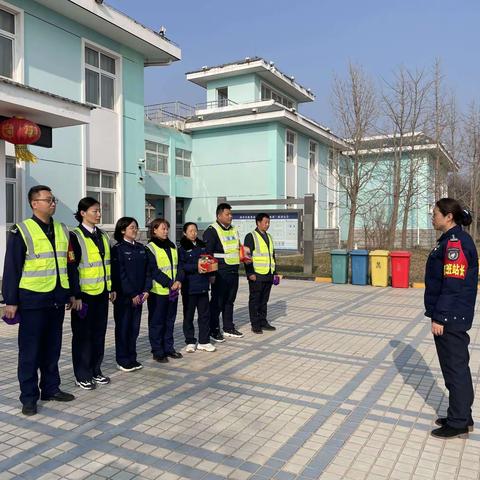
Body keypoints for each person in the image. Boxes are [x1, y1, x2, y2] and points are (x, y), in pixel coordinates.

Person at [1, 185, 75, 416]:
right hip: (33, 300)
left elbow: (69, 264)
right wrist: (10, 301)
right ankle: (29, 397)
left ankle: (51, 388)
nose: (53, 203)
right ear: (35, 203)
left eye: (53, 199)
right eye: (48, 200)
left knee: (52, 348)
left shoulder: (63, 230)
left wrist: (72, 292)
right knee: (30, 351)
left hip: (56, 298)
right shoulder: (21, 231)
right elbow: (12, 268)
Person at [425, 198, 478, 439]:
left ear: (448, 217)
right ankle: (461, 414)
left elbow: (452, 284)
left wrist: (441, 317)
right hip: (454, 314)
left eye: (435, 213)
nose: (432, 216)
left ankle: (458, 422)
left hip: (451, 316)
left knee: (454, 367)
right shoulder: (450, 240)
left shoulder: (455, 243)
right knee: (456, 366)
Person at [68, 197, 116, 390]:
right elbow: (72, 268)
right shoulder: (75, 236)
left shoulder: (103, 236)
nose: (98, 214)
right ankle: (82, 374)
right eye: (94, 211)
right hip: (84, 296)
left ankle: (96, 370)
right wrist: (75, 295)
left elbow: (107, 265)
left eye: (99, 211)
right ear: (82, 213)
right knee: (82, 336)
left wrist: (111, 288)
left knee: (99, 334)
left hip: (102, 293)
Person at [111, 217, 151, 372]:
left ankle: (132, 357)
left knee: (134, 328)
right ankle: (122, 359)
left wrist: (146, 290)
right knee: (123, 328)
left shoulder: (141, 248)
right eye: (131, 227)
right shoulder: (118, 249)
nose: (135, 230)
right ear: (122, 230)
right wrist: (132, 293)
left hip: (140, 296)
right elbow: (120, 275)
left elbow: (148, 271)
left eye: (136, 227)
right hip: (124, 297)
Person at [203, 203, 246, 342]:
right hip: (220, 272)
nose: (230, 217)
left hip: (233, 270)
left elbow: (238, 247)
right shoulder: (211, 231)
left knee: (230, 300)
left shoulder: (234, 229)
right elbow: (207, 255)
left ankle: (228, 327)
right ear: (219, 215)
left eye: (231, 214)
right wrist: (211, 275)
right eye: (227, 214)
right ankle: (213, 329)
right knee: (217, 302)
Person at [146, 218, 183, 362]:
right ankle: (157, 351)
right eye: (163, 228)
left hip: (172, 291)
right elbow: (153, 270)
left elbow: (179, 265)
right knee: (157, 322)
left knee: (170, 321)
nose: (166, 231)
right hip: (158, 292)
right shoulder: (150, 248)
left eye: (167, 228)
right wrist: (169, 283)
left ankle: (169, 348)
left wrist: (179, 280)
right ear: (154, 230)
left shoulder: (172, 246)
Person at [178, 222, 216, 353]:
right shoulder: (182, 248)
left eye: (195, 230)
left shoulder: (202, 246)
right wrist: (196, 267)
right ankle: (190, 341)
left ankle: (204, 341)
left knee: (204, 315)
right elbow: (181, 266)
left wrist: (211, 273)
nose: (194, 233)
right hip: (189, 287)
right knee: (188, 315)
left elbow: (208, 260)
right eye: (190, 231)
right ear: (185, 233)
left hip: (203, 286)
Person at [244, 213, 278, 334]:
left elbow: (272, 256)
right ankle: (255, 324)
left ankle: (263, 321)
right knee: (255, 300)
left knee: (264, 300)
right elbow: (246, 256)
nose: (267, 224)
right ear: (258, 223)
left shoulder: (269, 237)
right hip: (256, 274)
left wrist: (275, 273)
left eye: (269, 222)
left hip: (268, 273)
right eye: (265, 222)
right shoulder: (250, 236)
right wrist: (250, 273)